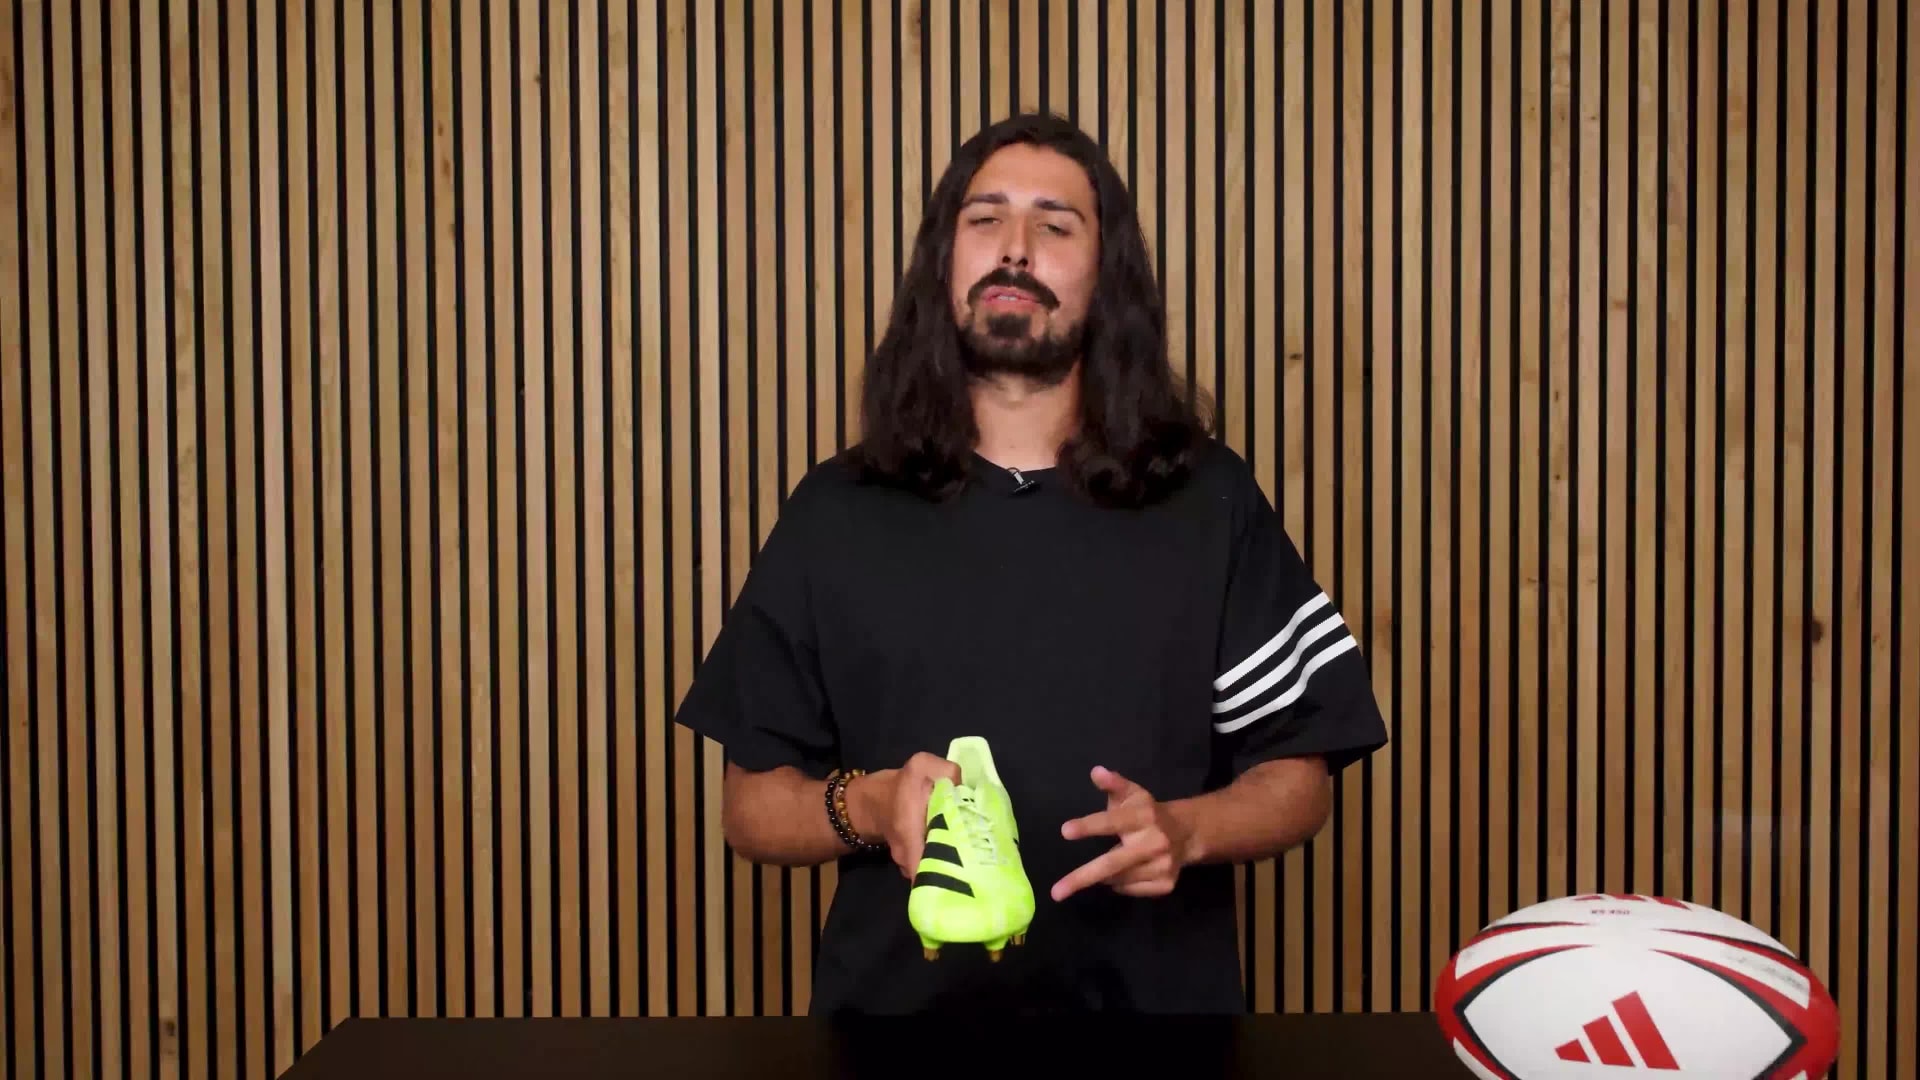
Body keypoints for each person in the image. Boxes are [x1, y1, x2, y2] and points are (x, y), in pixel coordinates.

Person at [672, 111, 1388, 1015]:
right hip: (891, 1042)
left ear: (1107, 275)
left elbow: (1299, 774)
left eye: (1054, 225)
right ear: (945, 262)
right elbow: (751, 807)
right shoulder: (838, 510)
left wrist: (1188, 829)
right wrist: (873, 803)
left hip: (1160, 1040)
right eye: (986, 219)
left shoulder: (1207, 498)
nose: (1016, 248)